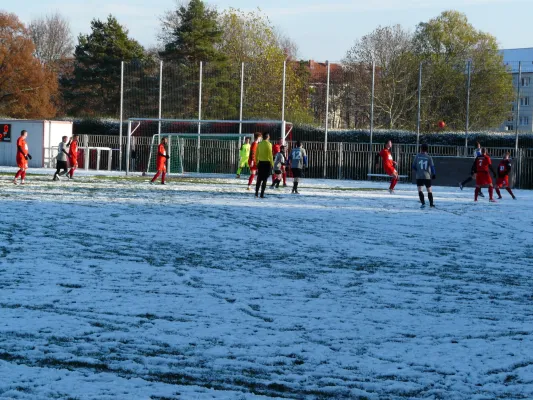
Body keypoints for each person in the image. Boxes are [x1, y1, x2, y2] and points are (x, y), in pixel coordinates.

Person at [412, 143, 436, 208]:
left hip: (419, 176)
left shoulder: (417, 156)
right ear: (427, 149)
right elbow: (432, 167)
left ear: (421, 148)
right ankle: (431, 204)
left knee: (420, 190)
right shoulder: (429, 157)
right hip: (427, 176)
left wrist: (418, 170)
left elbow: (413, 166)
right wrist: (434, 174)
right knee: (429, 190)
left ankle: (423, 203)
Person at [254, 132, 274, 198]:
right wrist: (272, 163)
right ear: (268, 137)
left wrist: (257, 162)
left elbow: (256, 154)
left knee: (259, 178)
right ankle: (262, 194)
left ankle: (256, 193)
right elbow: (270, 155)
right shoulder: (269, 144)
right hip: (267, 163)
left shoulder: (259, 144)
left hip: (260, 163)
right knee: (265, 179)